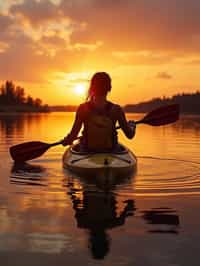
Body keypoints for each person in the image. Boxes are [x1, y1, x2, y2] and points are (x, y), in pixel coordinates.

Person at [62, 72, 136, 151]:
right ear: (109, 88)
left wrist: (67, 140)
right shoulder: (116, 110)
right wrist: (132, 126)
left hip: (87, 151)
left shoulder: (83, 108)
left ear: (92, 88)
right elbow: (130, 135)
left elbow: (73, 136)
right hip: (111, 152)